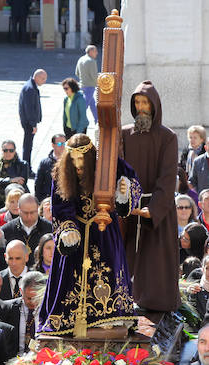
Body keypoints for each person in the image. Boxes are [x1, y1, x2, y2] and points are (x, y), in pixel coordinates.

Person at [38, 133, 140, 336]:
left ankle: (108, 316)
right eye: (73, 159)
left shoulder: (110, 164)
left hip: (104, 232)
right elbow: (60, 207)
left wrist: (124, 192)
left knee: (108, 269)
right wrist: (67, 229)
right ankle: (69, 318)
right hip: (75, 232)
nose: (77, 164)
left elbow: (132, 184)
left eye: (81, 159)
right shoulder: (61, 172)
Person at [121, 81, 181, 314]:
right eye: (137, 102)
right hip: (127, 209)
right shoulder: (125, 134)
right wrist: (123, 202)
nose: (141, 107)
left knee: (155, 264)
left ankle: (155, 308)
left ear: (154, 106)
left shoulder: (168, 137)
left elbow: (168, 178)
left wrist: (152, 209)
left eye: (145, 102)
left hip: (156, 211)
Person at [18, 69, 46, 168]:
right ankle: (26, 168)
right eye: (43, 79)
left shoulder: (31, 86)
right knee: (28, 147)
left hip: (28, 121)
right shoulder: (30, 88)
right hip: (28, 123)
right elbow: (29, 109)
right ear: (37, 77)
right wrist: (33, 124)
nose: (44, 81)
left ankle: (26, 167)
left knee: (28, 146)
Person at [0, 140, 30, 207]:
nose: (8, 153)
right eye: (5, 150)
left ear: (15, 151)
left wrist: (0, 182)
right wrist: (11, 180)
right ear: (2, 151)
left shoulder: (22, 165)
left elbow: (21, 183)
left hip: (16, 200)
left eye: (11, 150)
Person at [35, 134, 66, 202]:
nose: (62, 146)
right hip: (48, 199)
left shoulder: (70, 161)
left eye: (64, 143)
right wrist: (39, 200)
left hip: (65, 200)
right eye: (59, 144)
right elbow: (38, 183)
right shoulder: (44, 163)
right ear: (53, 145)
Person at [75, 45, 99, 123]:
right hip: (90, 85)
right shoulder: (91, 61)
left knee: (92, 104)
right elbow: (94, 75)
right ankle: (77, 119)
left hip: (82, 84)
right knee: (85, 105)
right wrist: (99, 84)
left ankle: (97, 119)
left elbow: (77, 73)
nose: (97, 53)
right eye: (95, 51)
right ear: (91, 51)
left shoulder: (81, 59)